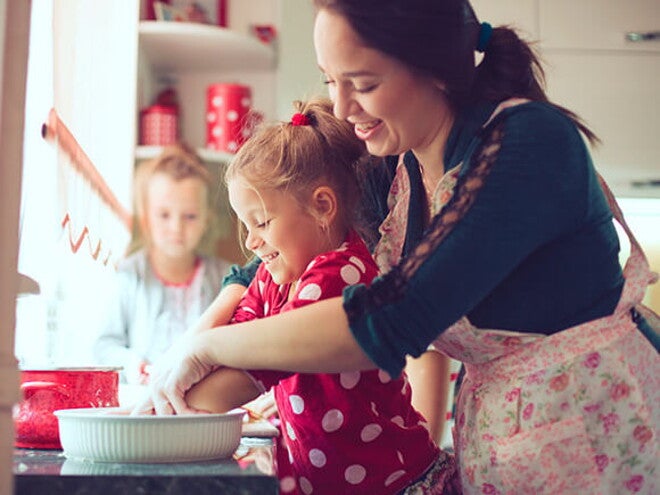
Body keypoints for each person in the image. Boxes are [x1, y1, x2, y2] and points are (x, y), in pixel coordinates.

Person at [137, 1, 659, 493]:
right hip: (506, 444)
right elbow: (267, 261)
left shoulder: (528, 144)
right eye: (330, 81)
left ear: (434, 68)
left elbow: (390, 319)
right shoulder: (394, 163)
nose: (342, 106)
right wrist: (189, 346)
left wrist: (207, 348)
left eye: (361, 83)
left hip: (602, 436)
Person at [181, 97, 457, 494]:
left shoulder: (339, 275)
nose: (252, 241)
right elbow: (241, 326)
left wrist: (171, 395)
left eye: (261, 222)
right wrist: (189, 362)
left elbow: (249, 372)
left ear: (322, 206)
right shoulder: (276, 276)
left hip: (399, 486)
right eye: (245, 226)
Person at [93, 143, 230, 384]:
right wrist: (133, 365)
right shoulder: (129, 274)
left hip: (204, 401)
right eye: (164, 215)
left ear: (206, 220)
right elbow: (105, 344)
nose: (176, 228)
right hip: (143, 399)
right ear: (146, 219)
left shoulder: (226, 278)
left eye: (190, 216)